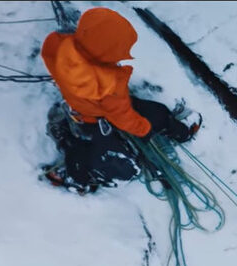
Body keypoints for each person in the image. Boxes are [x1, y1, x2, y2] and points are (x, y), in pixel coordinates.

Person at [40, 7, 198, 193]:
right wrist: (144, 130)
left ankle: (73, 144)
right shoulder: (108, 87)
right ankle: (181, 132)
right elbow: (123, 117)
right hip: (96, 119)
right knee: (146, 127)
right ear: (105, 52)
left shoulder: (61, 47)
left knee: (104, 137)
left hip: (82, 110)